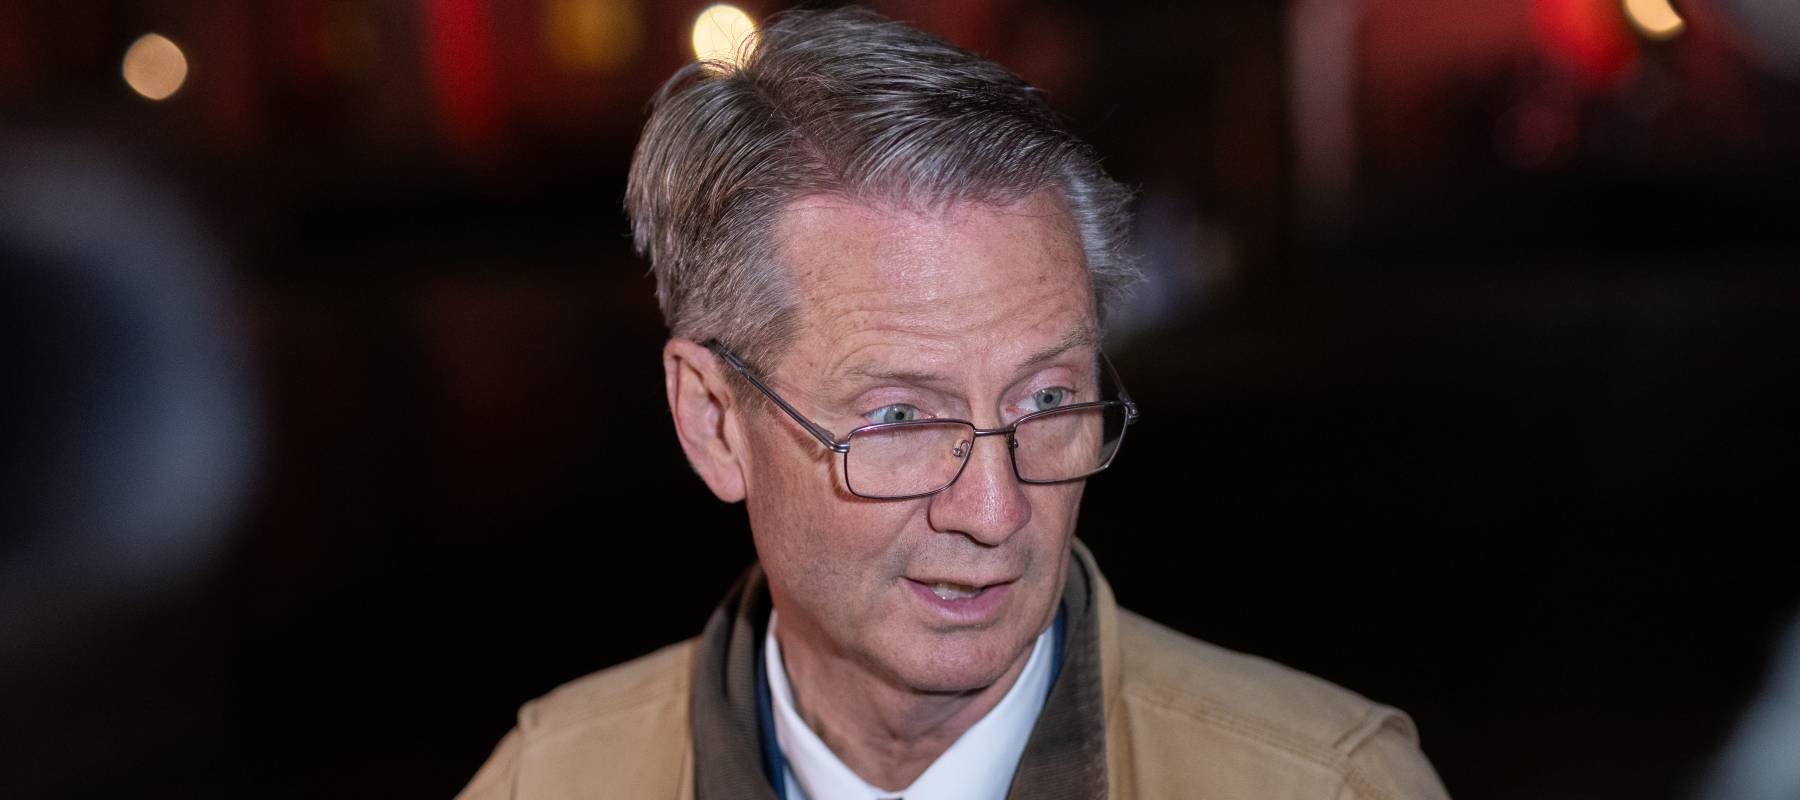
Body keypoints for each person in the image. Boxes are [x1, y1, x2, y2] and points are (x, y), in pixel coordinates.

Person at [458, 7, 1449, 799]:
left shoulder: (1330, 784)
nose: (995, 510)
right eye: (901, 417)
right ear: (713, 421)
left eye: (1047, 399)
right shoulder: (541, 782)